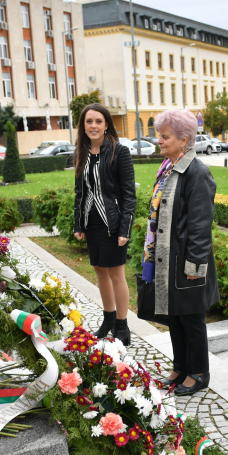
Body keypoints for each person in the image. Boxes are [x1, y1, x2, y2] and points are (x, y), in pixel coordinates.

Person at [140, 109, 218, 396]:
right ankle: (180, 366)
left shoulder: (197, 173)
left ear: (184, 139)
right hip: (167, 260)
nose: (158, 140)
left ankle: (198, 372)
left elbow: (200, 226)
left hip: (187, 261)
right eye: (159, 135)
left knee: (191, 318)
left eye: (164, 136)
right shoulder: (168, 167)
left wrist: (194, 269)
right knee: (175, 317)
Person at [72, 104, 137, 345]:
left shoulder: (120, 152)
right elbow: (80, 192)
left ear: (106, 124)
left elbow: (129, 194)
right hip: (92, 222)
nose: (93, 126)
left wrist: (125, 228)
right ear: (84, 126)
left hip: (113, 221)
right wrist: (78, 224)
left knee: (116, 273)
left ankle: (122, 325)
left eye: (98, 121)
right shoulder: (82, 152)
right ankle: (108, 319)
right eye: (89, 121)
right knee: (100, 271)